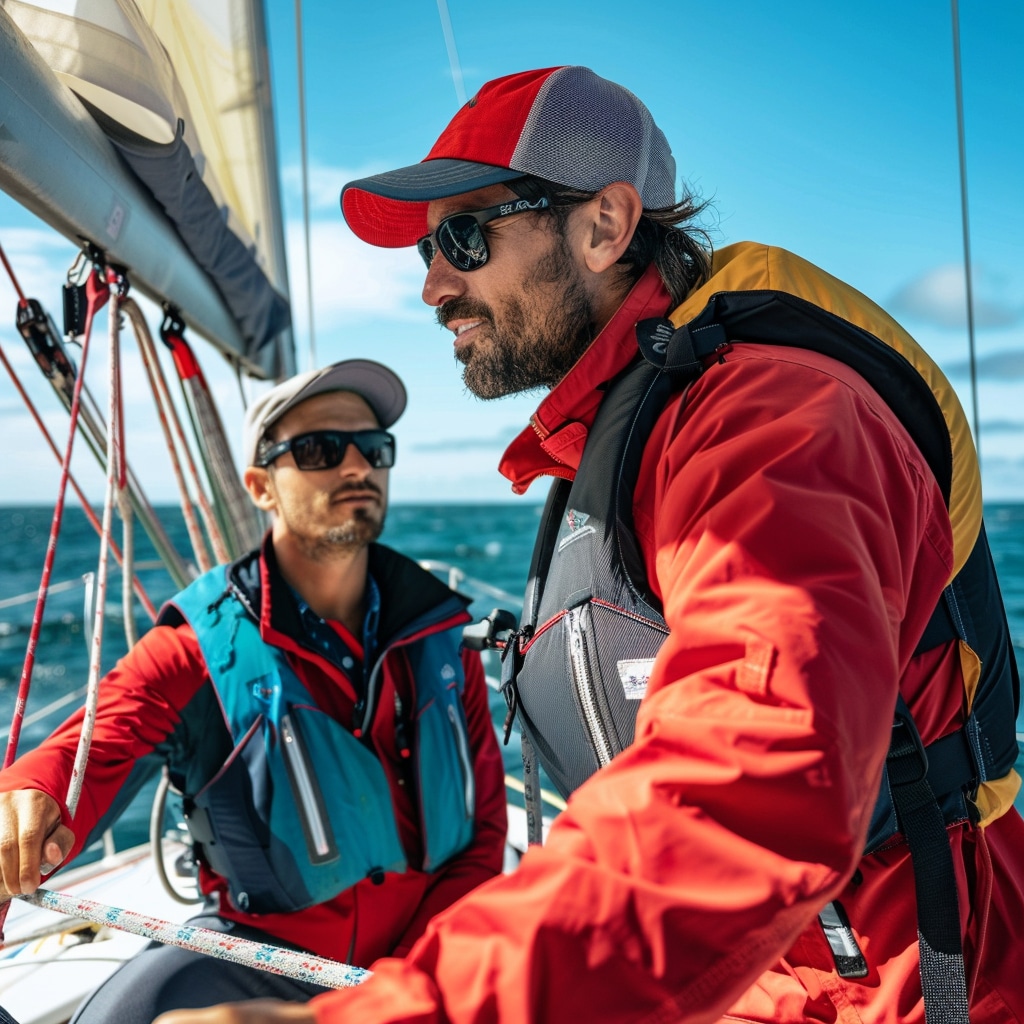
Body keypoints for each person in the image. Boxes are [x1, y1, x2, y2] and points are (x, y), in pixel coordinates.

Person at [160, 66, 1024, 1024]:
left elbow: (756, 776)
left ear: (606, 225)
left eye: (461, 237)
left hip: (909, 987)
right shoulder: (632, 429)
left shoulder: (778, 426)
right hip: (750, 982)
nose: (434, 286)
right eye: (427, 255)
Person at [0, 359, 507, 1023]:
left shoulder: (443, 636)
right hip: (265, 958)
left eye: (373, 448)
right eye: (321, 449)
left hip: (430, 960)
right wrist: (28, 796)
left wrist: (408, 989)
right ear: (261, 487)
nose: (357, 466)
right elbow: (98, 741)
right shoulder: (201, 647)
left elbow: (484, 838)